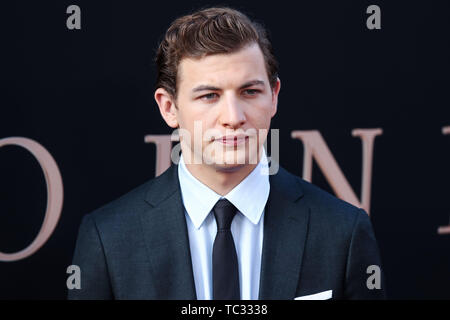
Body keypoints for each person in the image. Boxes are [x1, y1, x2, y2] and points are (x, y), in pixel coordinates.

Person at [68, 6, 386, 300]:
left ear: (273, 96)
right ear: (169, 107)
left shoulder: (342, 232)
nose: (233, 117)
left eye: (250, 91)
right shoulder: (108, 240)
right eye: (209, 95)